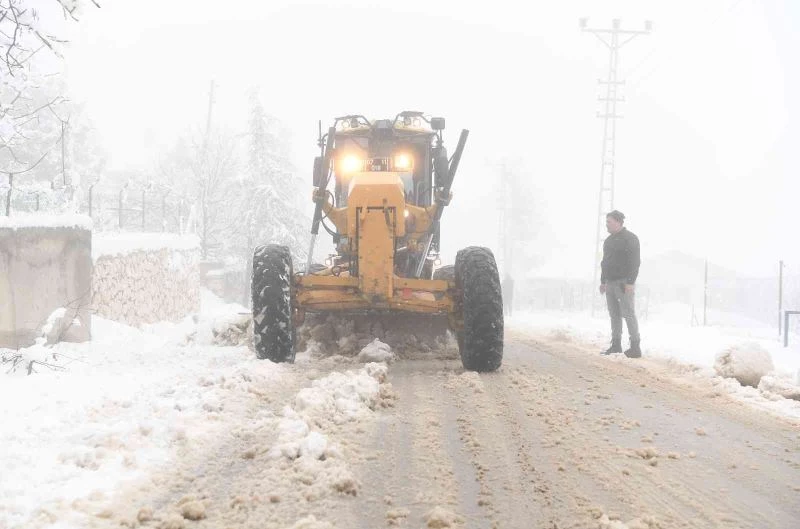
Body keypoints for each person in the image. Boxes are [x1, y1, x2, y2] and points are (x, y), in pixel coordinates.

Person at [599, 210, 641, 358]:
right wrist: (603, 281)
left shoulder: (630, 239)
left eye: (609, 222)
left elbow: (635, 262)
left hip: (624, 283)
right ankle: (616, 344)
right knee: (614, 315)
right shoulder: (608, 241)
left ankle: (635, 346)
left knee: (628, 314)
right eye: (606, 222)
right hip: (610, 283)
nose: (606, 225)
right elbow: (605, 262)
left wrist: (630, 282)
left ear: (618, 222)